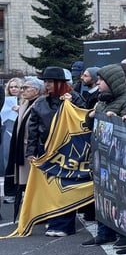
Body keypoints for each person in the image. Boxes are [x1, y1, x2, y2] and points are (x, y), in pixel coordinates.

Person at [81, 64, 126, 248]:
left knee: (119, 196)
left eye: (101, 80)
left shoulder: (124, 101)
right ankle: (104, 232)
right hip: (100, 155)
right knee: (102, 193)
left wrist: (114, 119)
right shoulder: (102, 101)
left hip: (116, 157)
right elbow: (90, 125)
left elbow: (125, 127)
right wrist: (91, 116)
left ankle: (123, 233)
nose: (98, 83)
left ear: (111, 82)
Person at [27, 67, 85, 237]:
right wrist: (31, 151)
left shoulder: (74, 98)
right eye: (45, 81)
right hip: (46, 149)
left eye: (50, 81)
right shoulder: (41, 102)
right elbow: (33, 129)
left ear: (60, 83)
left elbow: (83, 121)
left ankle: (64, 225)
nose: (47, 85)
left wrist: (71, 105)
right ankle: (54, 220)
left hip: (68, 150)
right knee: (51, 187)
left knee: (65, 187)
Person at [4, 77, 42, 215]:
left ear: (36, 90)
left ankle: (36, 212)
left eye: (25, 88)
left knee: (33, 184)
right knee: (25, 184)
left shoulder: (39, 104)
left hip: (31, 150)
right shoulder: (25, 104)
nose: (21, 90)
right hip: (22, 149)